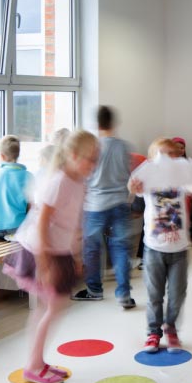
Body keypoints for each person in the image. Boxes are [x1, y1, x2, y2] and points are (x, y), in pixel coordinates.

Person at [2, 130, 100, 383]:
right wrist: (45, 263)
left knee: (51, 308)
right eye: (89, 159)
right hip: (41, 250)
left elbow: (74, 223)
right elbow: (43, 222)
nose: (93, 164)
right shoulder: (60, 181)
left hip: (58, 250)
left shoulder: (78, 182)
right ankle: (33, 366)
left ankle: (37, 361)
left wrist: (76, 254)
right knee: (54, 307)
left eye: (95, 159)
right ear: (73, 156)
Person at [130, 138, 192, 353]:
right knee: (154, 296)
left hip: (180, 250)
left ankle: (170, 328)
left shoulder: (182, 179)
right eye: (163, 155)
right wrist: (132, 186)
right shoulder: (148, 178)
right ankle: (153, 332)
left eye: (173, 154)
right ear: (153, 159)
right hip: (154, 249)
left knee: (177, 294)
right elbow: (134, 187)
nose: (168, 159)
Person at [72, 106, 136, 309]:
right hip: (120, 202)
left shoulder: (93, 146)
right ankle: (124, 293)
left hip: (95, 204)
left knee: (92, 249)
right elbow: (130, 174)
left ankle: (94, 290)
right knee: (120, 247)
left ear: (97, 124)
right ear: (113, 123)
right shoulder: (124, 147)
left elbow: (85, 176)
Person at [0, 135, 31, 240]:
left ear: (2, 156)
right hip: (18, 228)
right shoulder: (27, 176)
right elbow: (31, 206)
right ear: (18, 154)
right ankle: (12, 236)